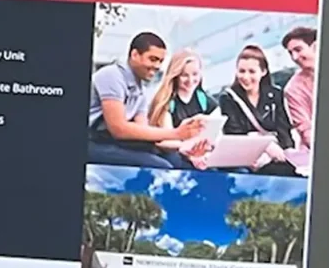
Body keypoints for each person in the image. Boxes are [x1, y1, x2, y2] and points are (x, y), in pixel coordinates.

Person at [88, 31, 205, 168]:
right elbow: (118, 128)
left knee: (176, 161)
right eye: (153, 59)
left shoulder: (140, 90)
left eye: (160, 61)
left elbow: (143, 132)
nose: (157, 66)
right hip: (93, 142)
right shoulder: (112, 75)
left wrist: (184, 149)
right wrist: (177, 133)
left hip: (115, 142)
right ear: (135, 55)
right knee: (161, 167)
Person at [219, 43, 299, 176]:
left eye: (252, 72)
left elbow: (283, 130)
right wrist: (264, 145)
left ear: (263, 71)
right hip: (246, 157)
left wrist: (286, 153)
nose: (246, 77)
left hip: (275, 155)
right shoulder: (228, 98)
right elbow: (234, 133)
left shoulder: (276, 94)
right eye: (242, 71)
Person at [148, 51, 219, 167]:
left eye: (195, 74)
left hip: (203, 154)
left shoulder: (207, 102)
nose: (190, 80)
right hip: (176, 155)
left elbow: (216, 136)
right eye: (184, 75)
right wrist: (190, 151)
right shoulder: (166, 102)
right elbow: (166, 140)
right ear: (175, 75)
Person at [276, 26, 320, 151]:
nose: (294, 57)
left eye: (298, 50)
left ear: (315, 46)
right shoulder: (293, 89)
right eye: (291, 53)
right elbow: (305, 129)